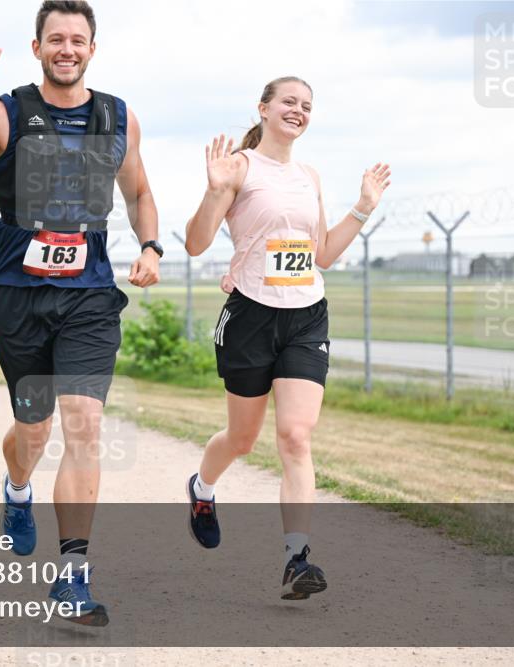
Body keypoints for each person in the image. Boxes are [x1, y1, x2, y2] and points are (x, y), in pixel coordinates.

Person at [0, 0, 161, 626]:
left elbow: (138, 190)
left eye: (78, 39)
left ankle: (73, 577)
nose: (67, 49)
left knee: (83, 426)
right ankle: (16, 488)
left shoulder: (118, 116)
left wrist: (151, 246)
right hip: (20, 298)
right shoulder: (7, 113)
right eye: (56, 39)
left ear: (92, 49)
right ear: (37, 48)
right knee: (33, 432)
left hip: (89, 297)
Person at [183, 76, 391, 600]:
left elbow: (323, 255)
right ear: (264, 108)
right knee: (242, 439)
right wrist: (214, 192)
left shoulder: (308, 175)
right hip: (250, 318)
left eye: (307, 105)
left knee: (296, 436)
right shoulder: (238, 167)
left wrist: (363, 207)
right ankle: (202, 488)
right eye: (289, 102)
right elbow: (195, 244)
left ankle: (297, 559)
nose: (298, 110)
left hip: (306, 317)